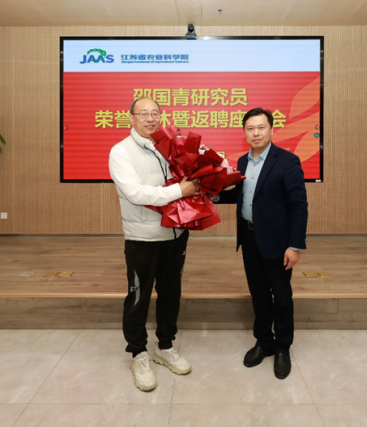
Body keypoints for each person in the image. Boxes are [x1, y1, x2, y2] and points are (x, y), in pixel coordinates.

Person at [109, 97, 199, 392]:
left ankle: (165, 346)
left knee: (171, 294)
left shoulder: (168, 146)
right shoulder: (121, 151)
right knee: (139, 297)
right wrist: (180, 190)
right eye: (143, 113)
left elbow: (186, 180)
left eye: (155, 113)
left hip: (175, 234)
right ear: (131, 117)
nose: (150, 118)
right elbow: (135, 193)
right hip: (143, 238)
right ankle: (138, 354)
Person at [216, 107, 308, 379]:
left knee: (281, 297)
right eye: (250, 128)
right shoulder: (243, 162)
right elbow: (242, 194)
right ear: (244, 133)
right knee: (258, 293)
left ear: (271, 130)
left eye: (261, 127)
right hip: (249, 237)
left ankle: (282, 347)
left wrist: (295, 245)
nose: (255, 133)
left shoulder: (288, 161)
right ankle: (263, 341)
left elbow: (298, 206)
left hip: (278, 241)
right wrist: (212, 195)